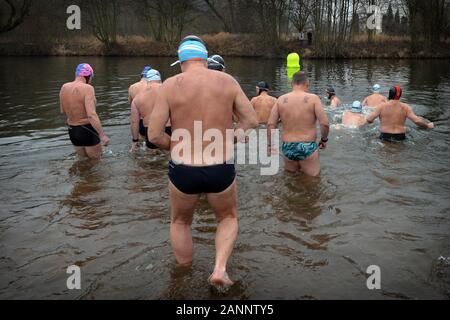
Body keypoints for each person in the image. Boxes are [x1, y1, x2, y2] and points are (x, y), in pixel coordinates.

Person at [148, 35, 258, 288]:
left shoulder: (169, 85)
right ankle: (219, 270)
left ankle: (183, 276)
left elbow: (154, 135)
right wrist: (231, 139)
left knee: (180, 222)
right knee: (228, 218)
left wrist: (174, 146)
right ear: (205, 59)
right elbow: (251, 121)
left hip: (182, 168)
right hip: (220, 166)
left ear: (181, 62)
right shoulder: (227, 81)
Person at [268, 71, 330, 177]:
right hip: (307, 146)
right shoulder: (313, 98)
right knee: (313, 183)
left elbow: (271, 124)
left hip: (288, 147)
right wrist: (323, 140)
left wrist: (270, 145)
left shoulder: (281, 99)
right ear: (307, 83)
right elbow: (324, 123)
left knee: (291, 181)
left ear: (292, 83)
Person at [60, 63, 109, 159]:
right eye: (91, 78)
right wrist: (102, 135)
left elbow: (63, 111)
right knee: (96, 164)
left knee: (83, 162)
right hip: (87, 130)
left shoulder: (64, 87)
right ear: (88, 76)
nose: (91, 81)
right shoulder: (88, 88)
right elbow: (91, 115)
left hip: (72, 131)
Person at [367, 85, 434, 142]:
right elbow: (416, 121)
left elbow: (369, 119)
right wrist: (427, 125)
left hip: (385, 136)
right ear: (400, 95)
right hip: (400, 136)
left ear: (390, 94)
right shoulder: (405, 107)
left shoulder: (381, 106)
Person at [130, 69, 171, 152]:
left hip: (150, 130)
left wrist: (135, 141)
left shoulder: (138, 98)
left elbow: (134, 121)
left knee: (152, 159)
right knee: (168, 155)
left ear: (147, 80)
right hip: (168, 128)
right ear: (159, 79)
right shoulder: (169, 91)